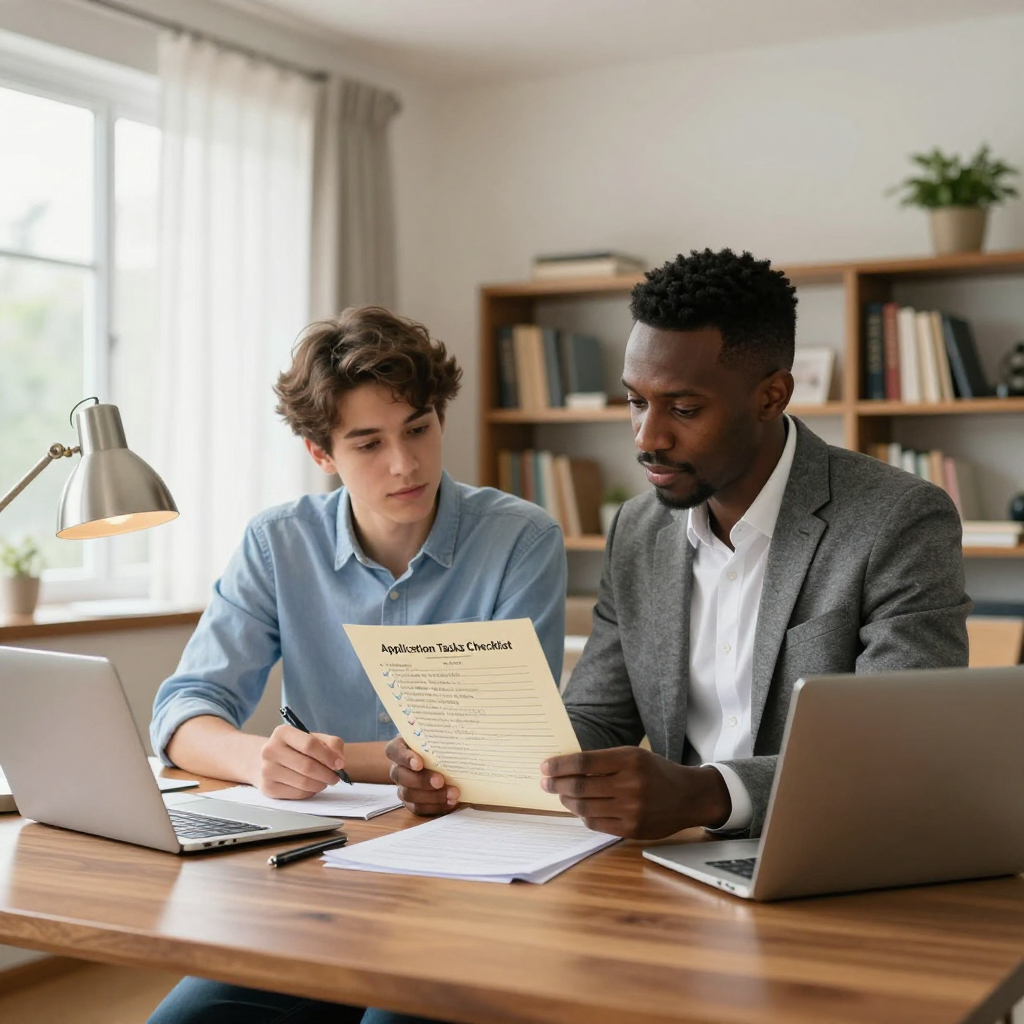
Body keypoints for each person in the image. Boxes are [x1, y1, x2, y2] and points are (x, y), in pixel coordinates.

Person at [387, 247, 971, 840]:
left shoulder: (897, 519)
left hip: (832, 852)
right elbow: (598, 715)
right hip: (675, 863)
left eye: (684, 409)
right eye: (636, 401)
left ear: (772, 396)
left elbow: (898, 747)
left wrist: (707, 794)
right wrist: (463, 767)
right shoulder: (638, 529)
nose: (647, 437)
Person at [148, 305, 565, 1024]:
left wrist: (340, 762)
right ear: (321, 454)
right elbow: (183, 711)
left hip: (467, 877)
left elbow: (498, 751)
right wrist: (259, 761)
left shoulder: (521, 541)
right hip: (314, 879)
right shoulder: (277, 543)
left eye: (418, 429)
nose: (405, 464)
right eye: (368, 443)